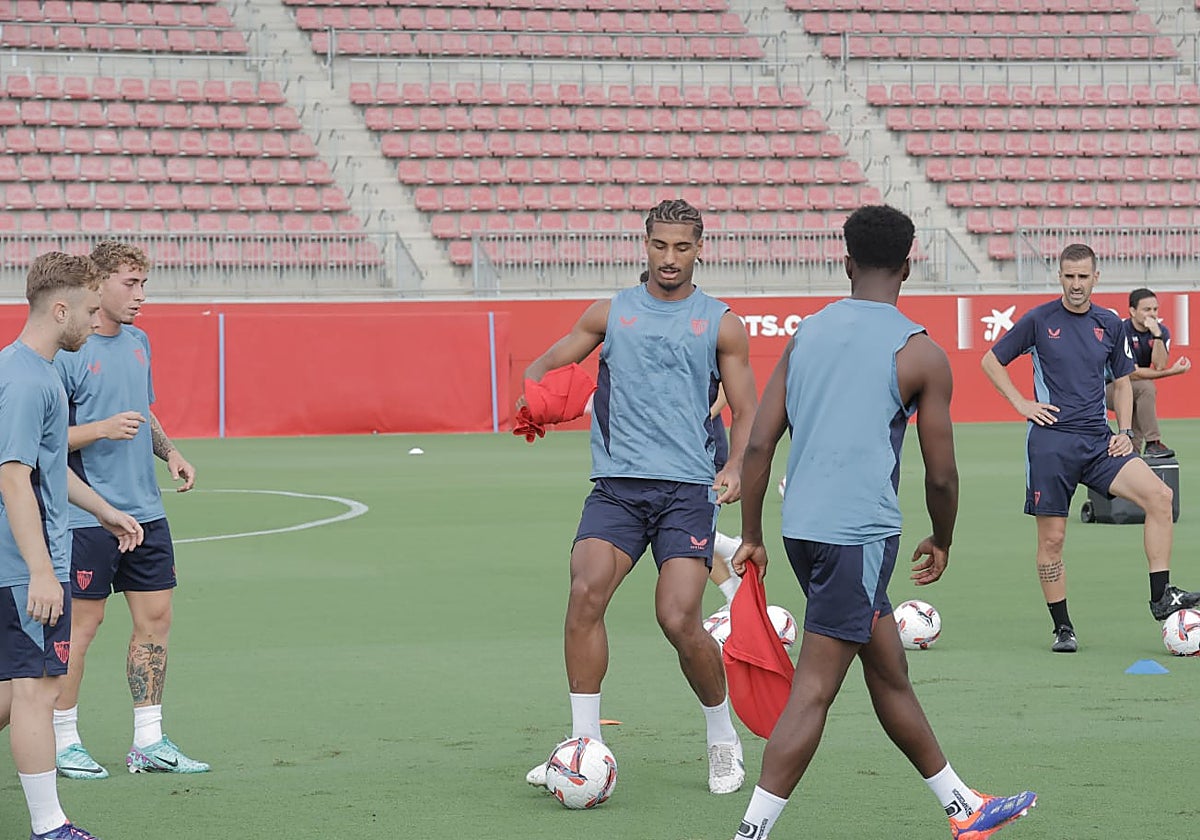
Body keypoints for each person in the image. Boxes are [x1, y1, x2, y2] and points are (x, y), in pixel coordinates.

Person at [726, 205, 1036, 840]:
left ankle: (963, 808)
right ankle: (751, 832)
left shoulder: (805, 334)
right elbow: (942, 475)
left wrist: (754, 534)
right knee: (813, 692)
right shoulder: (921, 352)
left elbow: (758, 447)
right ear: (909, 261)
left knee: (888, 667)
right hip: (858, 537)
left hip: (803, 530)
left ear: (846, 261)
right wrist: (942, 538)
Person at [524, 199, 758, 795]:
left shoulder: (721, 322)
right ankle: (582, 745)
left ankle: (721, 737)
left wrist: (734, 464)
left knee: (678, 616)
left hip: (687, 489)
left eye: (683, 247)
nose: (671, 258)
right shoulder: (610, 314)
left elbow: (749, 410)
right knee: (584, 594)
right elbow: (546, 365)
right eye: (661, 246)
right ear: (645, 245)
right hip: (617, 488)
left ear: (700, 248)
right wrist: (539, 399)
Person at [982, 244, 1198, 654]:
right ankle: (1063, 628)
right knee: (1053, 540)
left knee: (1160, 496)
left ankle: (1161, 596)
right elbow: (991, 361)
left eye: (1083, 277)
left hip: (1100, 443)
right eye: (1069, 276)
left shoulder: (1110, 324)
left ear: (1096, 278)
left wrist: (1124, 431)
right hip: (1051, 446)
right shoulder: (1038, 320)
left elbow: (1122, 381)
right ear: (1060, 277)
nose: (1076, 284)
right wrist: (1021, 404)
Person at [50, 241, 208, 779]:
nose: (141, 295)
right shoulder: (67, 351)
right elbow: (43, 442)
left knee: (155, 623)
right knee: (82, 628)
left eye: (144, 283)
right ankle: (64, 741)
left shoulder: (140, 342)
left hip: (147, 511)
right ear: (99, 284)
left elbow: (144, 410)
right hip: (86, 517)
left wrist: (171, 452)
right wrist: (98, 429)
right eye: (130, 283)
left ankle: (149, 741)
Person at [1, 251, 144, 840]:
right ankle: (49, 826)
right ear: (60, 309)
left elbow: (48, 467)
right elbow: (12, 474)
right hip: (25, 565)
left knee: (13, 694)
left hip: (30, 560)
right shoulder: (27, 379)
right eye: (88, 308)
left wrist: (106, 511)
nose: (94, 320)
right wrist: (39, 568)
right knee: (38, 691)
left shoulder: (35, 372)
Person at [1103, 287, 1190, 459]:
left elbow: (1158, 365)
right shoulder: (1123, 330)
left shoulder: (1161, 331)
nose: (1152, 314)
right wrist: (1172, 372)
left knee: (1138, 409)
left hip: (1130, 390)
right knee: (1145, 387)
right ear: (1132, 311)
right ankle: (1153, 442)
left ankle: (1131, 455)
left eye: (1155, 309)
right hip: (1106, 388)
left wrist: (1156, 335)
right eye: (1146, 309)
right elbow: (1131, 373)